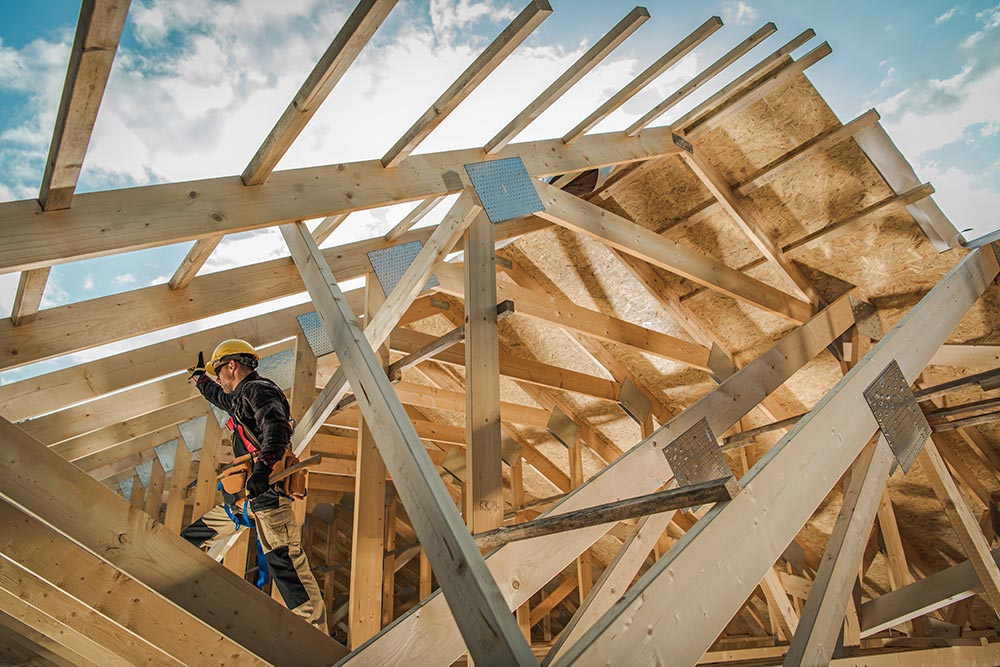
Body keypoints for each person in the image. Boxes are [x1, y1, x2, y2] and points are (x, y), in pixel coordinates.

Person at [180, 339, 327, 633]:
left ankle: (314, 633)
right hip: (246, 502)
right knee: (192, 538)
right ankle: (174, 575)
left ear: (231, 365)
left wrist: (261, 470)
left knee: (286, 565)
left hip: (268, 498)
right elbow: (217, 395)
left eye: (218, 372)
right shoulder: (239, 398)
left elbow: (276, 430)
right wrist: (200, 378)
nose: (218, 380)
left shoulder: (260, 390)